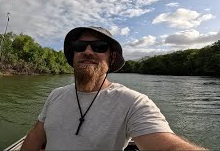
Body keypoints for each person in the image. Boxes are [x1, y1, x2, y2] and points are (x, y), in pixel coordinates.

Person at [20, 26, 206, 150]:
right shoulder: (55, 95)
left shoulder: (133, 102)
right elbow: (36, 137)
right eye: (80, 46)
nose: (88, 51)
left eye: (100, 47)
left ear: (111, 58)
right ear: (74, 54)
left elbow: (167, 147)